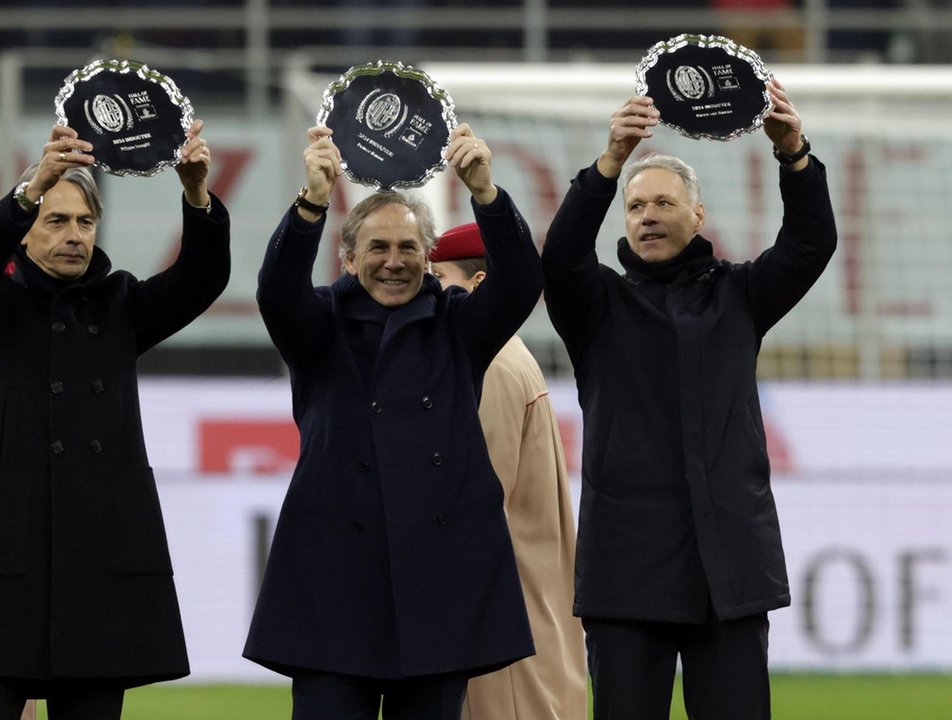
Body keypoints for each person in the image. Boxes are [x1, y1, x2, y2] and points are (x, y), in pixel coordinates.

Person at [540, 78, 836, 720]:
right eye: (636, 205)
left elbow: (812, 245)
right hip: (626, 573)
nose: (648, 215)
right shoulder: (597, 307)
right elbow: (560, 258)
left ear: (697, 215)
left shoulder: (740, 296)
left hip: (726, 567)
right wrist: (609, 162)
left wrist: (795, 158)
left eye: (663, 203)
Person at [0, 120, 230, 720]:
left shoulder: (120, 305)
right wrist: (32, 185)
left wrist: (195, 195)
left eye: (85, 223)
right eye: (55, 221)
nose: (74, 236)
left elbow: (202, 279)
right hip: (0, 561)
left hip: (96, 565)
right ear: (26, 231)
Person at [243, 124, 541, 720]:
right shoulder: (318, 325)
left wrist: (485, 191)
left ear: (428, 257)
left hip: (436, 585)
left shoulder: (458, 324)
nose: (394, 262)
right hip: (336, 587)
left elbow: (522, 283)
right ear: (349, 258)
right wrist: (311, 203)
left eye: (408, 248)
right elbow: (276, 291)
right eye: (377, 248)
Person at [428, 224, 587, 720]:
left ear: (477, 283)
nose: (425, 291)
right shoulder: (505, 355)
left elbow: (475, 501)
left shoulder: (491, 365)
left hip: (501, 629)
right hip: (521, 615)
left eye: (437, 278)